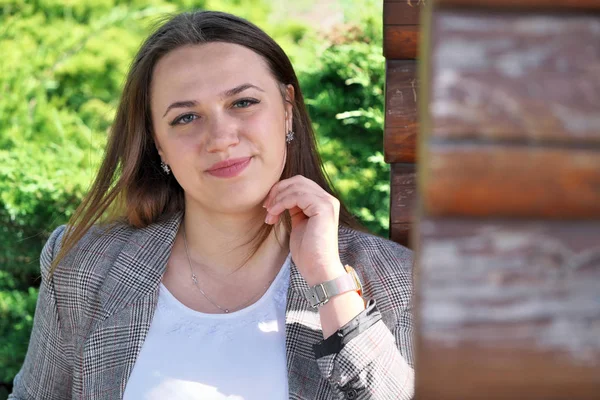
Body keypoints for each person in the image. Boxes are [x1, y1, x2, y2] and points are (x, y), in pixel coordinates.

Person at [9, 10, 414, 400]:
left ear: (287, 111)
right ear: (157, 142)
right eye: (186, 118)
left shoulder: (395, 279)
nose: (220, 138)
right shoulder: (86, 267)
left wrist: (328, 282)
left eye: (243, 103)